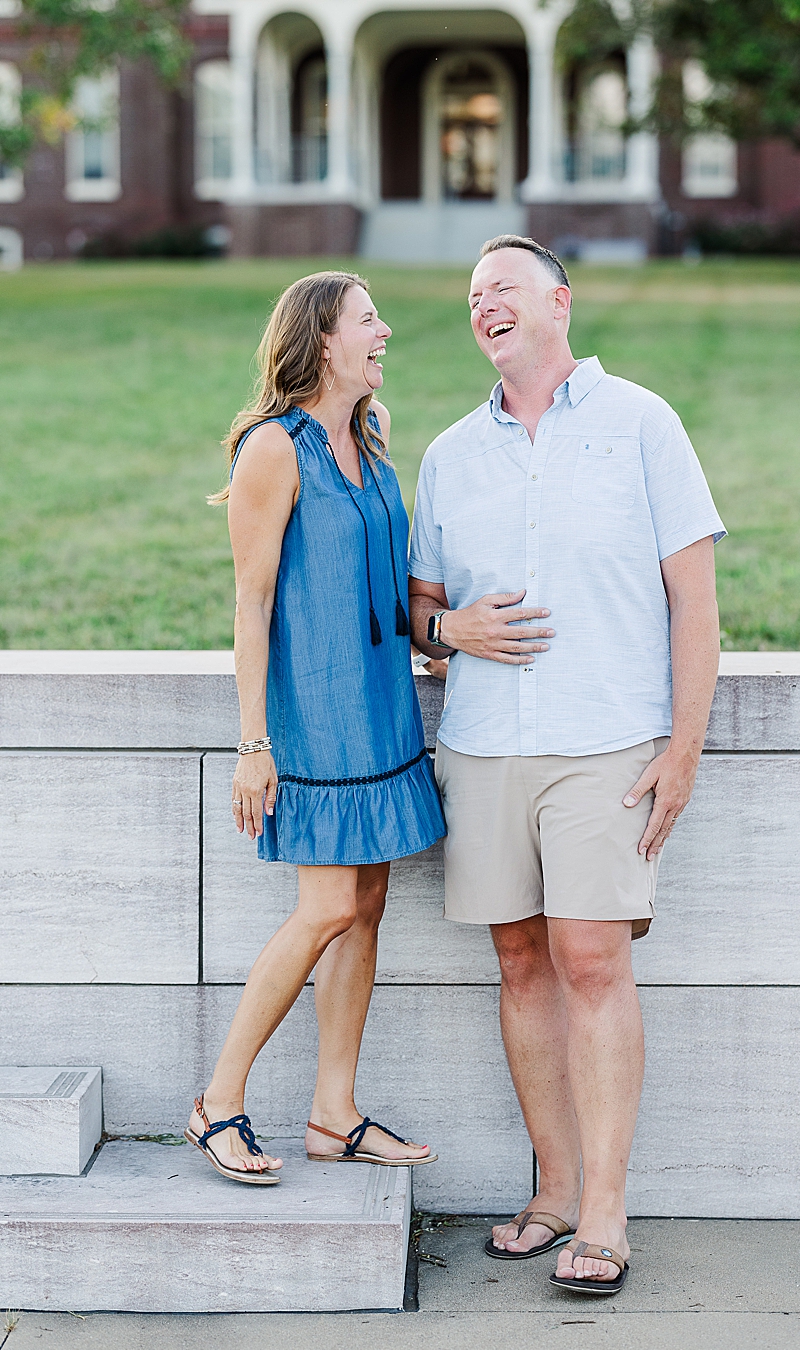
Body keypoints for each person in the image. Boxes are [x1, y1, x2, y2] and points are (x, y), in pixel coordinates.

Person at [409, 235, 725, 1292]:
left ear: (560, 300)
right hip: (486, 747)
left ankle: (604, 1211)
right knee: (520, 965)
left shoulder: (642, 422)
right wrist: (453, 628)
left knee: (593, 960)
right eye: (471, 297)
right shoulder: (451, 452)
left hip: (606, 746)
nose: (483, 306)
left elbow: (696, 599)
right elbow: (417, 606)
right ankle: (550, 1191)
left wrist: (682, 749)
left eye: (502, 288)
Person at [185, 271, 445, 1184]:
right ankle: (218, 1100)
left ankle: (334, 1111)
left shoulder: (370, 445)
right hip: (314, 716)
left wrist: (447, 640)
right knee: (328, 905)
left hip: (382, 708)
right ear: (322, 340)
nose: (385, 333)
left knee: (366, 907)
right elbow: (251, 605)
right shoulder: (272, 449)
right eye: (368, 321)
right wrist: (253, 745)